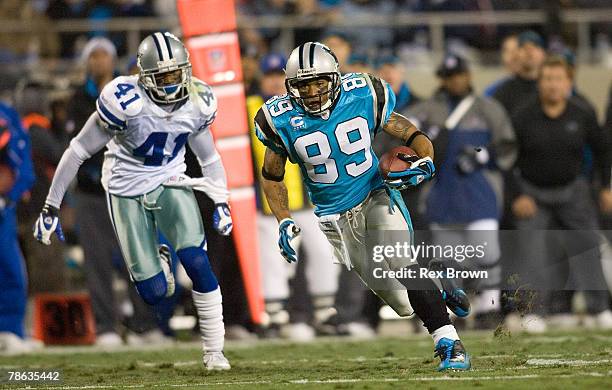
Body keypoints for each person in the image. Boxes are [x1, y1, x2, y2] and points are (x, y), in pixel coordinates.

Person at [254, 41, 470, 371]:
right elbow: (272, 176)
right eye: (303, 84)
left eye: (319, 82)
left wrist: (425, 158)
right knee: (402, 304)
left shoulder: (364, 94)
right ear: (291, 86)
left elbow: (412, 134)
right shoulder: (278, 119)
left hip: (375, 196)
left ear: (335, 78)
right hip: (335, 219)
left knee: (398, 261)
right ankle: (435, 276)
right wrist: (282, 219)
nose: (312, 91)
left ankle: (449, 343)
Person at [33, 32, 233, 370]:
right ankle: (158, 261)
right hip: (125, 190)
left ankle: (214, 351)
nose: (172, 84)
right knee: (155, 292)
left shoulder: (197, 101)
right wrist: (51, 205)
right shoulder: (124, 101)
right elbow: (77, 151)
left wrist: (221, 201)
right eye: (163, 76)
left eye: (176, 74)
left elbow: (210, 158)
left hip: (170, 180)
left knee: (197, 261)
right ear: (145, 76)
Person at [406, 54, 517, 329]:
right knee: (448, 259)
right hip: (441, 194)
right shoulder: (425, 111)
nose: (455, 81)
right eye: (449, 76)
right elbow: (401, 142)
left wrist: (482, 154)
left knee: (487, 252)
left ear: (468, 75)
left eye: (459, 75)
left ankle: (489, 306)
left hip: (480, 194)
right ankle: (455, 310)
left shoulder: (488, 108)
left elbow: (508, 146)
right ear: (442, 79)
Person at [68, 36, 166, 347]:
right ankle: (107, 327)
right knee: (97, 263)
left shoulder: (131, 94)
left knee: (136, 259)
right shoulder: (77, 100)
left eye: (104, 55)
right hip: (91, 194)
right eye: (93, 56)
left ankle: (144, 325)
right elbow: (79, 147)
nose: (99, 61)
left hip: (126, 191)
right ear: (87, 61)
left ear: (113, 60)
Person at [508, 56, 612, 332]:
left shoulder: (582, 111)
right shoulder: (522, 115)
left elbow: (603, 150)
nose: (553, 85)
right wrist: (518, 194)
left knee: (588, 247)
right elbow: (506, 159)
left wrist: (605, 187)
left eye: (559, 79)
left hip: (573, 191)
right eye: (548, 79)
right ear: (540, 83)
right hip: (532, 192)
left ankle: (600, 308)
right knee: (532, 253)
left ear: (569, 83)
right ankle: (533, 314)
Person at [247, 53, 338, 340]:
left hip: (310, 198)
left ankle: (325, 312)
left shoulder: (304, 105)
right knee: (276, 258)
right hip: (270, 203)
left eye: (279, 75)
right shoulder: (249, 109)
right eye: (269, 75)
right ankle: (275, 316)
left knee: (326, 252)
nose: (274, 81)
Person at [0, 101, 36, 355]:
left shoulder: (7, 113)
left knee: (10, 267)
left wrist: (11, 192)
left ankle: (9, 329)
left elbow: (20, 158)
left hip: (4, 206)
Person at [492, 30, 546, 117]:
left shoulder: (554, 88)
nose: (529, 52)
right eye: (524, 48)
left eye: (535, 47)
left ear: (543, 53)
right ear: (517, 54)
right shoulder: (503, 92)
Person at [484, 33, 521, 97]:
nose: (514, 56)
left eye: (517, 50)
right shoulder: (493, 91)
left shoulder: (540, 86)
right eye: (508, 51)